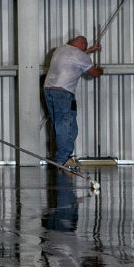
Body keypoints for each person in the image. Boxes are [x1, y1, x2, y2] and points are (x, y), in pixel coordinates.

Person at [43, 35, 104, 171]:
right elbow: (94, 73)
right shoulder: (81, 57)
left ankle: (62, 157)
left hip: (48, 91)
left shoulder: (60, 49)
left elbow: (75, 55)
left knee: (58, 126)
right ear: (83, 44)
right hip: (63, 93)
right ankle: (64, 159)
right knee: (68, 127)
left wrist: (90, 50)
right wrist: (101, 69)